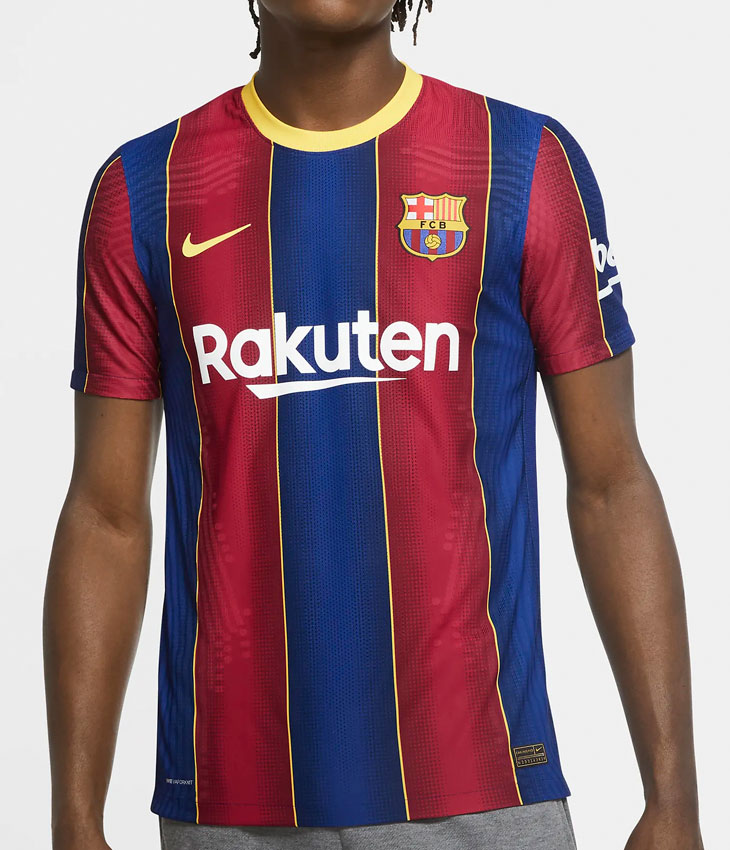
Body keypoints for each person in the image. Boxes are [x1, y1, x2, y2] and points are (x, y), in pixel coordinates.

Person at [43, 2, 705, 849]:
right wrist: (74, 818)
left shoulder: (519, 165)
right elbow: (105, 515)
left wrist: (673, 801)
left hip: (481, 790)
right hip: (230, 797)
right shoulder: (146, 188)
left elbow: (612, 484)